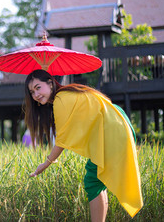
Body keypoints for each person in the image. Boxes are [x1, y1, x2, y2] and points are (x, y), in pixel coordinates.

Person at [26, 69, 143, 222]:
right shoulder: (66, 94)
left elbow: (61, 140)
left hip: (112, 129)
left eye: (38, 87)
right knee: (97, 180)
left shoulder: (61, 99)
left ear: (50, 82)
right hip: (116, 123)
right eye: (32, 92)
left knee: (93, 181)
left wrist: (46, 163)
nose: (35, 95)